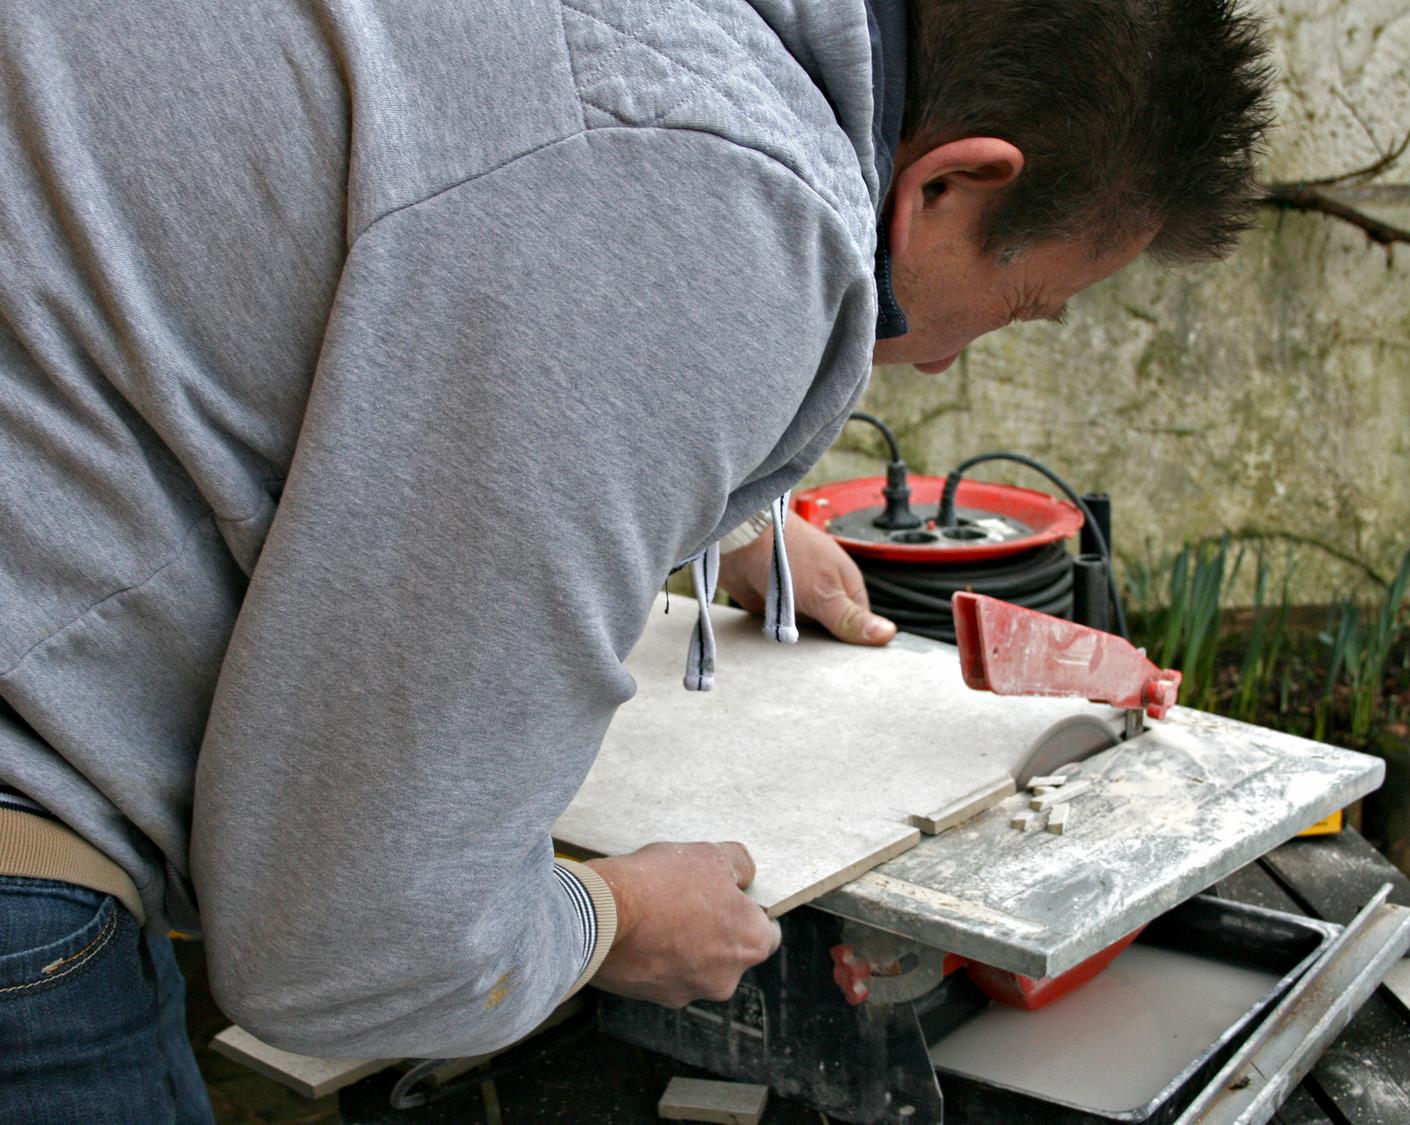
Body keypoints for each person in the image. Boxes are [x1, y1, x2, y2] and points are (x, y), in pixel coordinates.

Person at [0, 0, 1270, 1115]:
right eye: (1019, 306)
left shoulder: (656, 52)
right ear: (953, 182)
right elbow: (348, 953)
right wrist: (608, 924)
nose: (945, 361)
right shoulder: (714, 181)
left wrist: (705, 514)